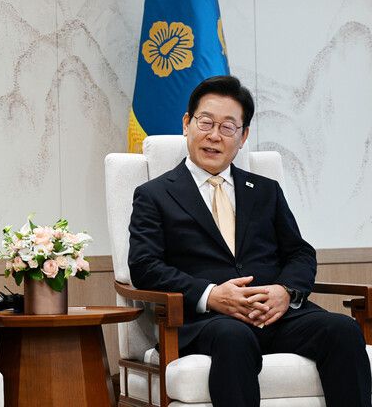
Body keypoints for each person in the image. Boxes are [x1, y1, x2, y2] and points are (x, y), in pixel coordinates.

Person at [128, 75, 371, 406]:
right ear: (186, 124)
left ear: (242, 137)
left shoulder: (265, 190)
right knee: (234, 336)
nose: (214, 135)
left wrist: (285, 291)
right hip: (208, 321)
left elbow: (299, 253)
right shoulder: (154, 195)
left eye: (228, 127)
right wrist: (211, 295)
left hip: (275, 315)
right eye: (205, 122)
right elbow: (145, 266)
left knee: (342, 330)